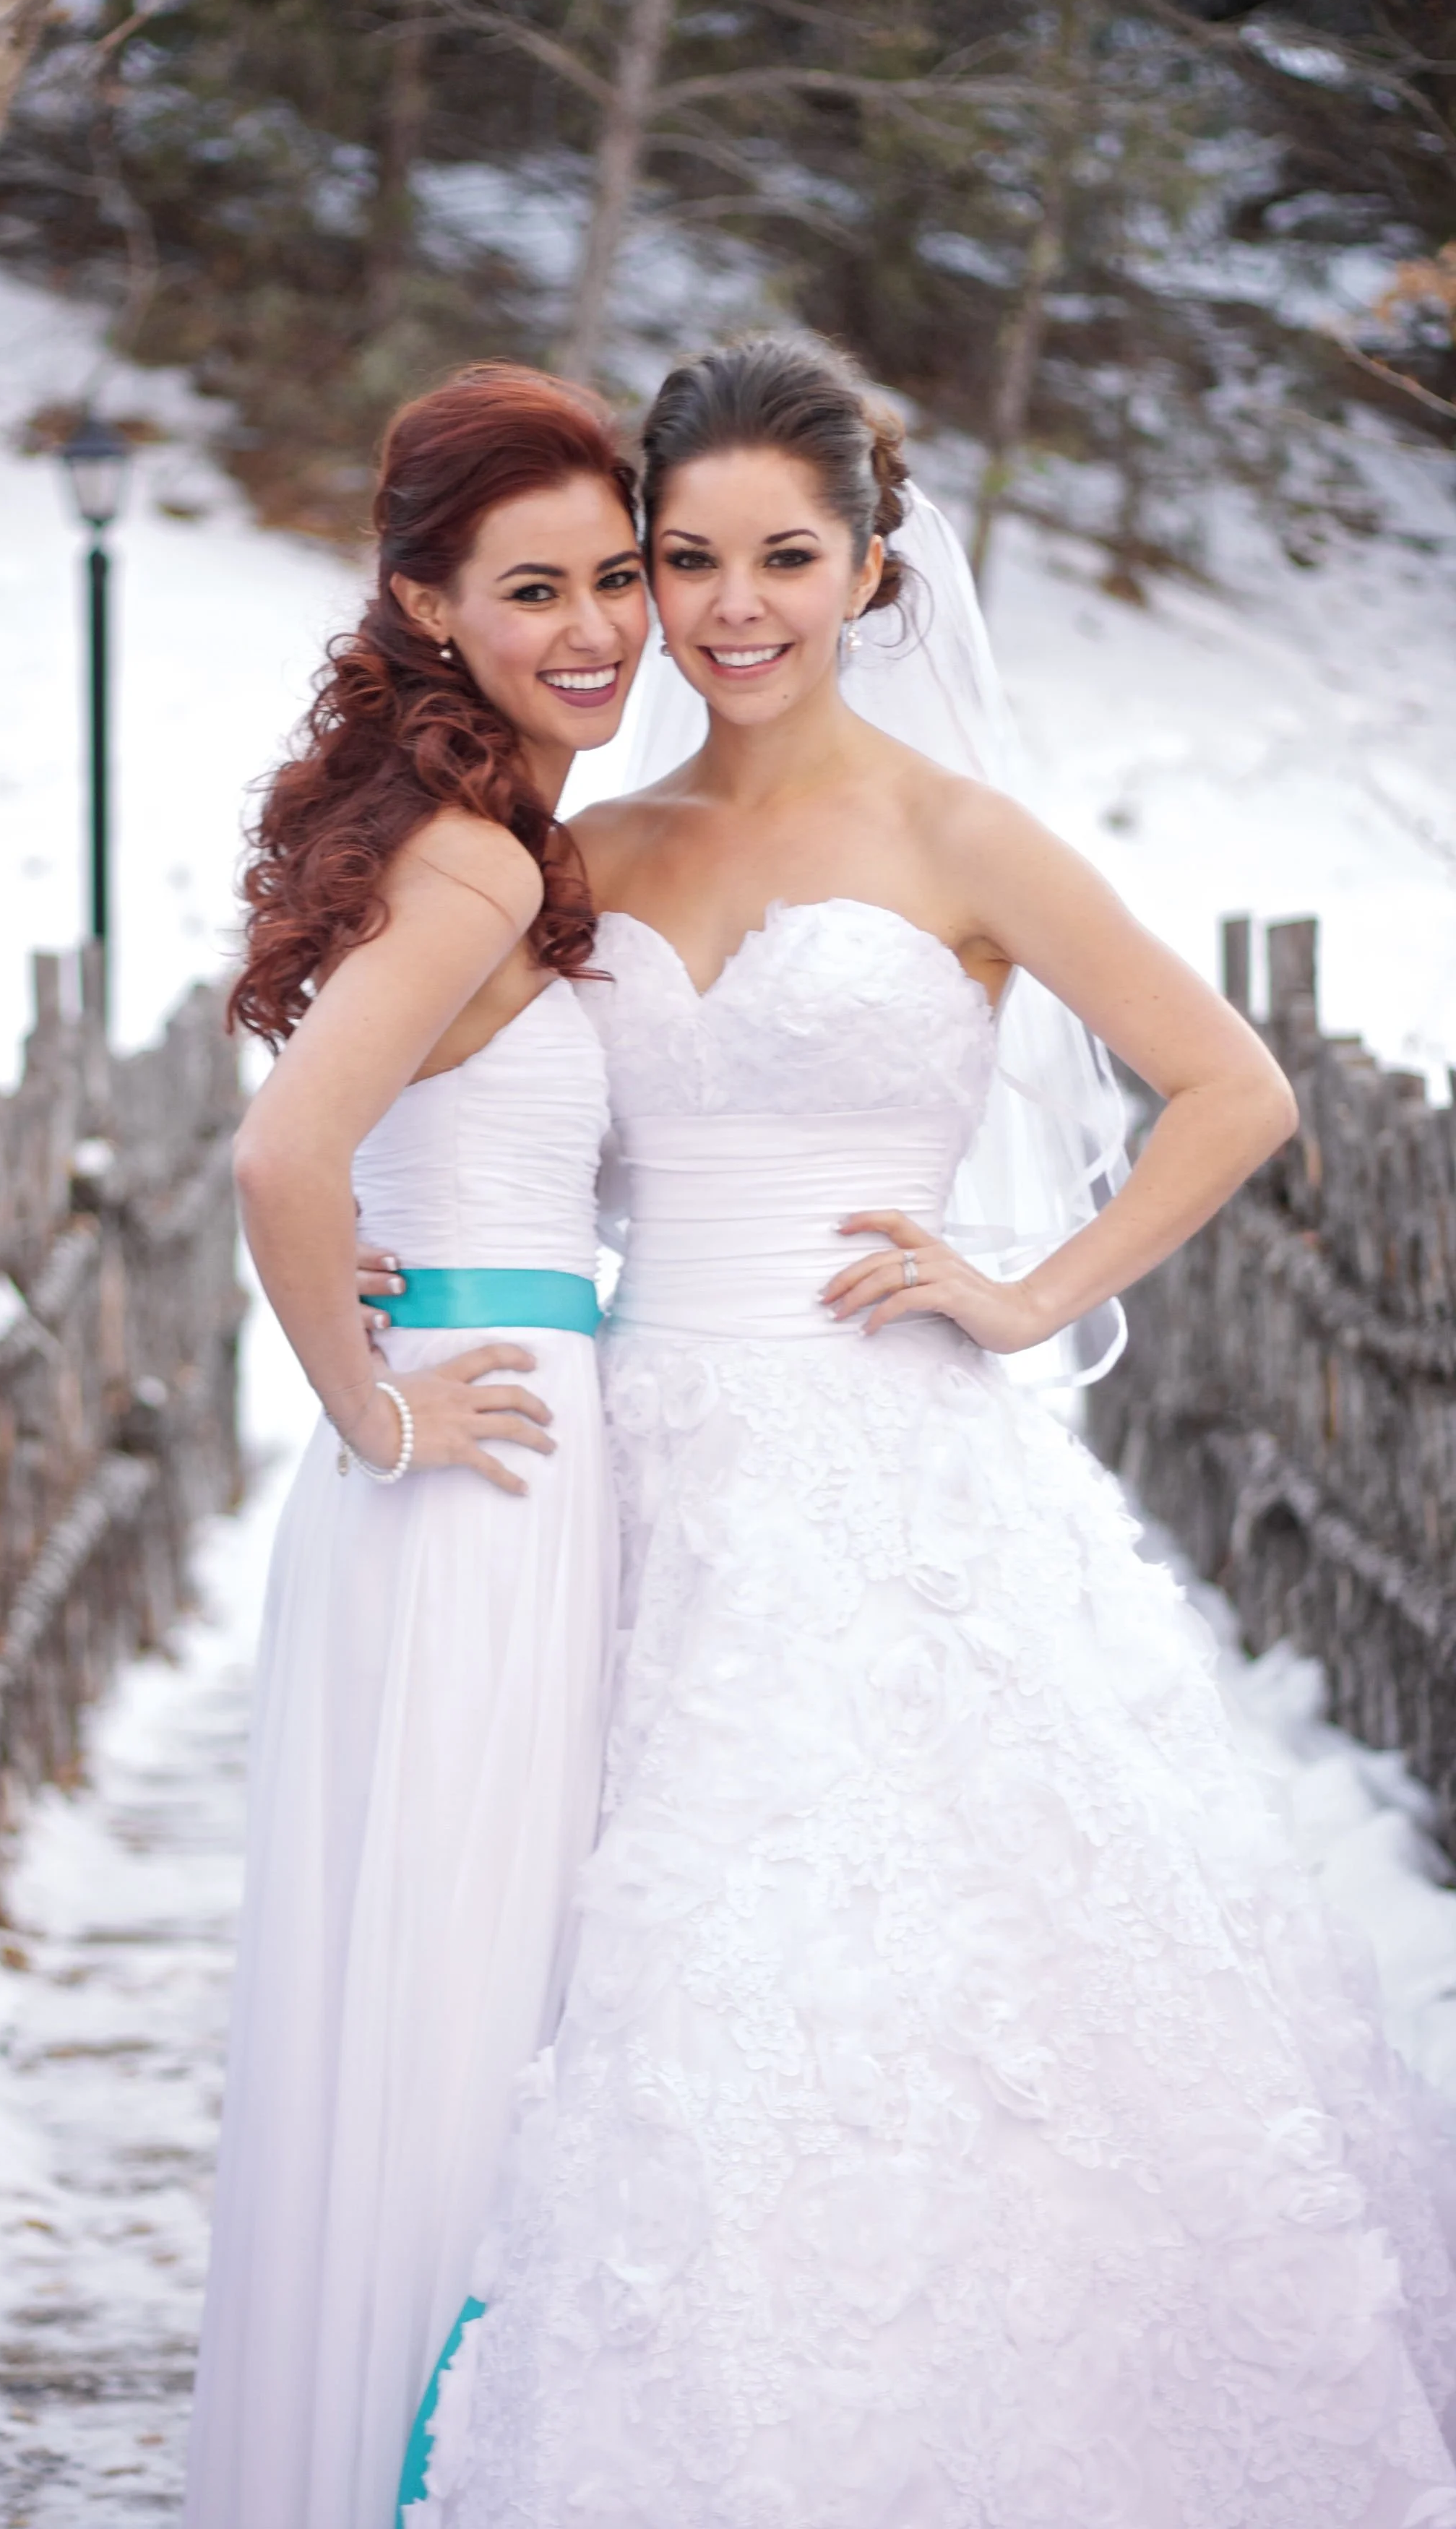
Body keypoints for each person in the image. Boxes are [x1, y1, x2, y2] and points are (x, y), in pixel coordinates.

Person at [408, 335, 1456, 2528]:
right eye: (687, 559)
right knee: (656, 1978)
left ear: (874, 567)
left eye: (788, 556)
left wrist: (1027, 1291)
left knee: (916, 1959)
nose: (732, 607)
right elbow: (481, 1106)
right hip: (634, 1469)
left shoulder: (958, 833)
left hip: (892, 1483)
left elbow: (1233, 1088)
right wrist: (391, 1279)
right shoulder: (585, 847)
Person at [181, 362, 649, 2529]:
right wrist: (376, 1414)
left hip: (484, 1467)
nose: (599, 627)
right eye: (533, 588)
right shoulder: (468, 859)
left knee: (459, 1979)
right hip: (471, 1482)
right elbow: (285, 1159)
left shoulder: (489, 841)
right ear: (428, 605)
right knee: (464, 1998)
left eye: (619, 576)